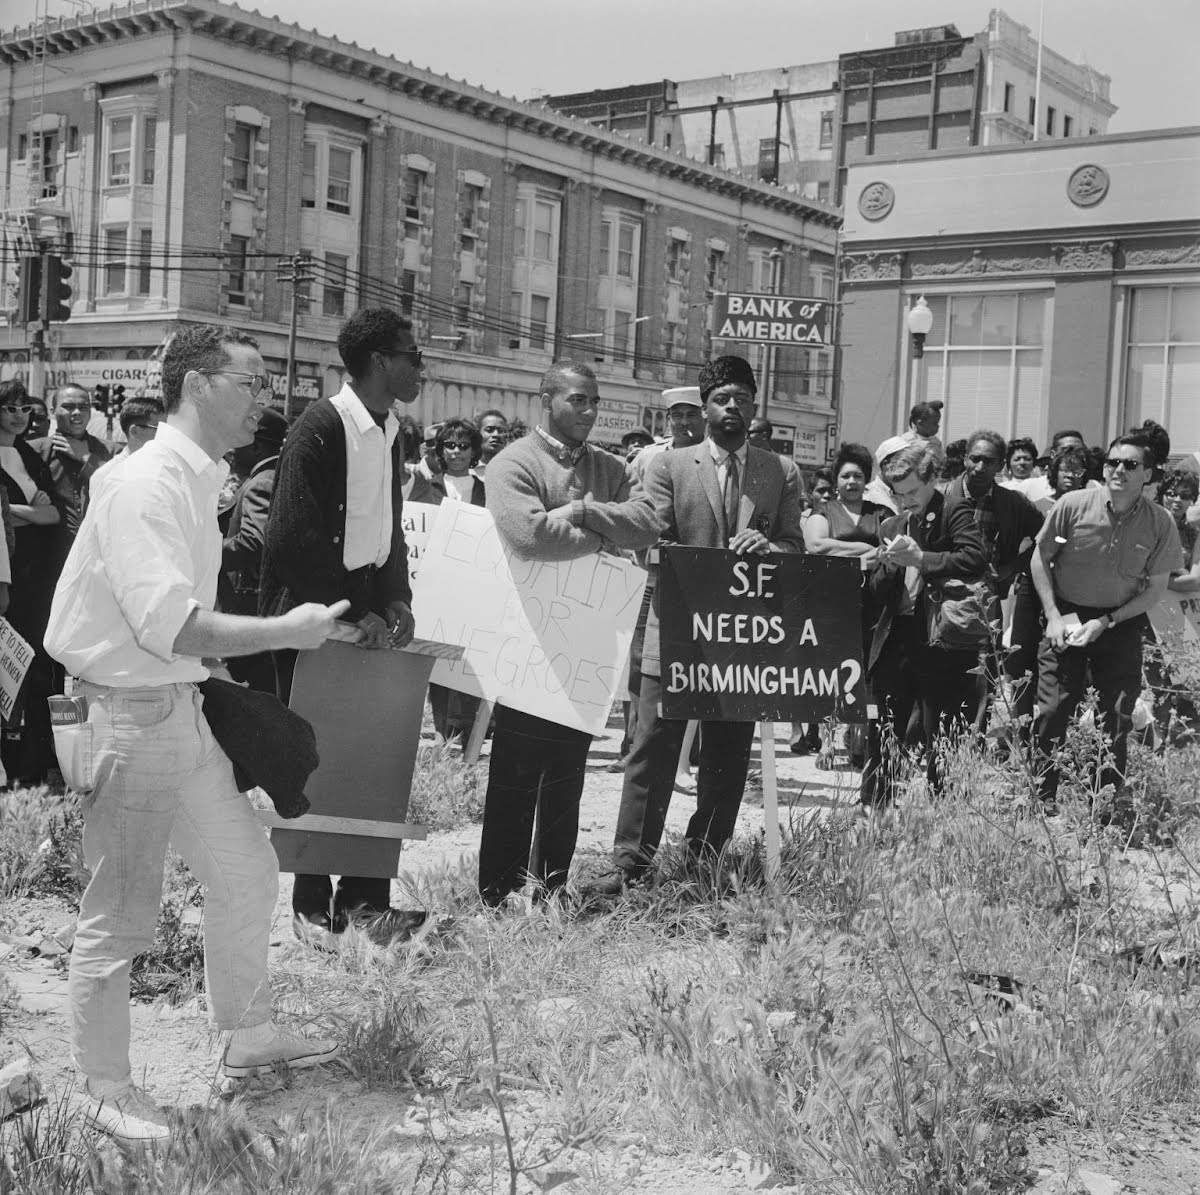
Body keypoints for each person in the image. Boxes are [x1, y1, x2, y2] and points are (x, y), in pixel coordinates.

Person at [44, 325, 346, 1147]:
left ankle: (245, 1035)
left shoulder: (194, 478)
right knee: (120, 912)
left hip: (172, 706)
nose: (264, 399)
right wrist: (286, 628)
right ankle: (101, 1083)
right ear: (200, 385)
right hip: (129, 713)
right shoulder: (144, 484)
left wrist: (221, 672)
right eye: (251, 383)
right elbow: (166, 622)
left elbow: (174, 627)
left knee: (246, 868)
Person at [602, 355, 805, 891]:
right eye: (722, 399)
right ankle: (630, 863)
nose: (732, 407)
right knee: (651, 748)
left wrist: (770, 547)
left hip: (741, 644)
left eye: (742, 398)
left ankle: (705, 859)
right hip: (675, 631)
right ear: (706, 406)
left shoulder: (780, 471)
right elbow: (653, 533)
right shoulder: (669, 465)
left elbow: (794, 546)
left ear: (754, 406)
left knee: (727, 757)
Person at [260, 307, 420, 944]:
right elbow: (292, 539)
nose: (420, 368)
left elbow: (389, 525)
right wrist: (354, 616)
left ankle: (364, 906)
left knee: (370, 759)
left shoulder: (389, 428)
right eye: (412, 356)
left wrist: (397, 598)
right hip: (312, 614)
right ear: (380, 361)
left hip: (367, 611)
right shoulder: (320, 426)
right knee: (317, 763)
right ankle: (309, 906)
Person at [479, 361, 661, 905]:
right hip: (528, 639)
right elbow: (530, 535)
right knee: (515, 771)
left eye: (594, 401)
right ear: (547, 399)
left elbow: (648, 523)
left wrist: (581, 510)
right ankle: (499, 892)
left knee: (567, 775)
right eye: (577, 400)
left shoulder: (609, 466)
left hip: (589, 640)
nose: (588, 411)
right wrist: (605, 534)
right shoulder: (514, 462)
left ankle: (552, 888)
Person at [1031, 433, 1181, 813]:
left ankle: (1104, 808)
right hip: (1066, 618)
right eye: (1113, 462)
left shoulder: (1159, 524)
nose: (1119, 470)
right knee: (1053, 710)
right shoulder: (1073, 509)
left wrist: (1108, 621)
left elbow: (1155, 589)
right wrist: (1051, 616)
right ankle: (1040, 802)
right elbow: (1043, 555)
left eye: (1130, 465)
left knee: (1115, 715)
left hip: (1120, 623)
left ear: (1147, 474)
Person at [860, 441, 988, 806]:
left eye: (913, 492)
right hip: (897, 637)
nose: (907, 502)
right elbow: (878, 592)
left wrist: (922, 558)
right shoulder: (891, 524)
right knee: (883, 729)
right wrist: (890, 566)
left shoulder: (954, 509)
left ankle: (944, 812)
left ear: (932, 478)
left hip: (942, 639)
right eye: (899, 495)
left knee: (943, 730)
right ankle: (874, 809)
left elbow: (975, 558)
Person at [950, 431, 1044, 735]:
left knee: (984, 677)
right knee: (939, 673)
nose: (979, 466)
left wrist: (1013, 567)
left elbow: (1048, 537)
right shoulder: (943, 496)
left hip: (988, 599)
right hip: (942, 598)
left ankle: (973, 748)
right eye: (974, 458)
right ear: (965, 458)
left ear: (1000, 465)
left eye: (988, 460)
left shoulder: (1013, 503)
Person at [1004, 444, 1092, 745]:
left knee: (1066, 656)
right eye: (1065, 470)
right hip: (1031, 587)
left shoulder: (1087, 505)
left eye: (1077, 470)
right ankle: (1021, 733)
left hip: (1069, 593)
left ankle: (1057, 735)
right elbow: (1027, 547)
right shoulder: (1037, 504)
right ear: (1053, 472)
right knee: (1020, 657)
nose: (1070, 475)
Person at [0, 379, 63, 784]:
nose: (19, 416)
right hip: (5, 576)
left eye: (25, 409)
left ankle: (29, 772)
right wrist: (31, 510)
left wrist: (17, 511)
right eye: (10, 408)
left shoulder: (28, 454)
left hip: (34, 579)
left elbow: (55, 513)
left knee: (33, 672)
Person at [219, 407, 289, 693]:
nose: (231, 451)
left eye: (237, 442)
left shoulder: (262, 482)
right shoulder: (269, 476)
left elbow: (255, 542)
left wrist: (205, 552)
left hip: (250, 607)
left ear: (257, 445)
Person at [426, 417, 485, 743]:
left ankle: (465, 732)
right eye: (450, 445)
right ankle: (439, 731)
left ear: (474, 451)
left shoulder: (485, 490)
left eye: (464, 446)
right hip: (438, 587)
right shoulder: (426, 487)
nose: (457, 452)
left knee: (470, 660)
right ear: (441, 449)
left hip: (474, 588)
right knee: (439, 659)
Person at [39, 384, 112, 556]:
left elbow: (119, 491)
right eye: (68, 407)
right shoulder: (36, 452)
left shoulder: (111, 451)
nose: (77, 412)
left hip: (97, 551)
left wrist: (86, 458)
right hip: (49, 552)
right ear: (52, 411)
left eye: (83, 407)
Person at [802, 442, 887, 563]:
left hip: (874, 581)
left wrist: (840, 551)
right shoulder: (823, 511)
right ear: (836, 481)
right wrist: (866, 549)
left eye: (857, 476)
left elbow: (892, 550)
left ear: (866, 480)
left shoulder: (882, 513)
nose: (852, 481)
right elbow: (816, 546)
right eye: (845, 476)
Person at [475, 408, 509, 477]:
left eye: (501, 431)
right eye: (489, 430)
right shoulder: (466, 470)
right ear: (478, 434)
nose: (496, 434)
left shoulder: (512, 471)